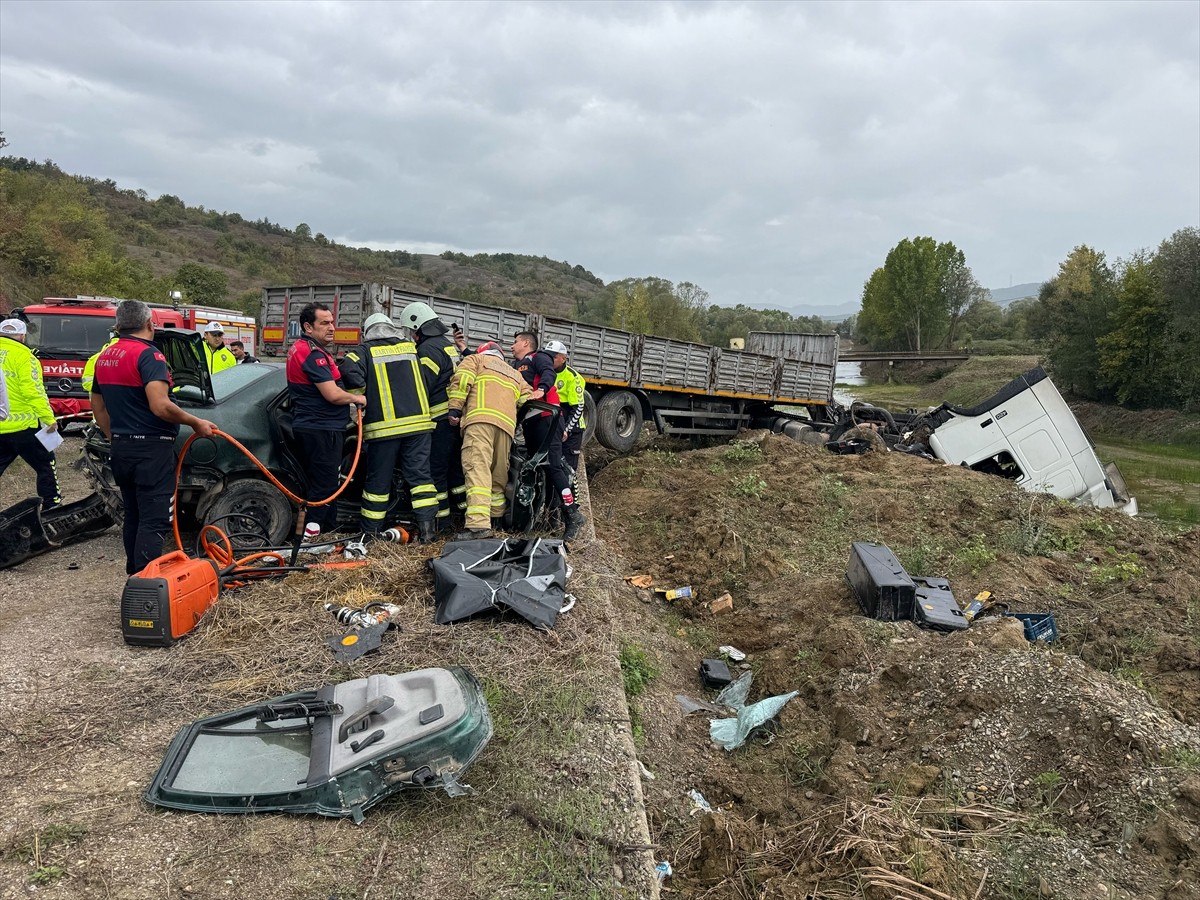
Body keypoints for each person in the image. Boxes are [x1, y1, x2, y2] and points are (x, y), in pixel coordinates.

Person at [90, 301, 217, 574]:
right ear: (150, 324)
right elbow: (160, 406)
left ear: (118, 325)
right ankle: (146, 586)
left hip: (122, 449)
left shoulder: (106, 356)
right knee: (154, 521)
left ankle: (135, 576)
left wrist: (114, 436)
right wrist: (195, 423)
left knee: (134, 516)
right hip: (151, 450)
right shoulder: (150, 355)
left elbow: (98, 406)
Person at [341, 313, 439, 543]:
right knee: (421, 478)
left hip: (384, 430)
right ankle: (428, 533)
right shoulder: (410, 347)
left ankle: (371, 533)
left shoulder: (364, 351)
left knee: (378, 482)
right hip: (419, 426)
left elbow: (348, 369)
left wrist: (358, 401)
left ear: (368, 332)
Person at [286, 302, 367, 541]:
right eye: (324, 323)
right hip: (321, 428)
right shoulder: (312, 354)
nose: (331, 327)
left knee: (328, 483)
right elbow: (332, 394)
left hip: (316, 426)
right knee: (324, 485)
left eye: (331, 322)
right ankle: (311, 539)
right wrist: (357, 398)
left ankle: (329, 533)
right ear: (308, 327)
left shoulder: (304, 348)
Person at [447, 341, 536, 540]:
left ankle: (478, 527)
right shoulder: (516, 374)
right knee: (498, 475)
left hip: (480, 422)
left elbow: (462, 382)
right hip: (505, 428)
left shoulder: (475, 360)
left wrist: (454, 408)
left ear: (483, 352)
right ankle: (496, 521)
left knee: (477, 469)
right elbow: (527, 401)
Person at [510, 331, 586, 541]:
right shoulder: (516, 366)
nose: (511, 346)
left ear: (526, 343)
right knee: (536, 466)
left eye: (515, 342)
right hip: (531, 421)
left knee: (553, 466)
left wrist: (541, 389)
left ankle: (572, 515)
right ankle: (536, 517)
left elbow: (548, 374)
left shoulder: (539, 357)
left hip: (548, 417)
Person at [398, 302, 463, 531]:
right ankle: (463, 516)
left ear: (418, 329)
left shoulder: (428, 350)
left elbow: (421, 385)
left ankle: (442, 523)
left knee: (436, 472)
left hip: (439, 421)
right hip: (453, 420)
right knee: (455, 471)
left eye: (412, 331)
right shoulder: (445, 345)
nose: (412, 337)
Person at [0, 318, 63, 511]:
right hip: (24, 427)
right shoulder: (25, 356)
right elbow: (33, 391)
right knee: (46, 464)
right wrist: (48, 419)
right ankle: (52, 506)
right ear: (22, 336)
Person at [546, 340, 587, 480]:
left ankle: (570, 500)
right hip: (554, 426)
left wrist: (567, 430)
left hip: (572, 429)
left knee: (568, 470)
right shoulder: (546, 373)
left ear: (563, 358)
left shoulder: (573, 377)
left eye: (553, 357)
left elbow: (578, 407)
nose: (549, 360)